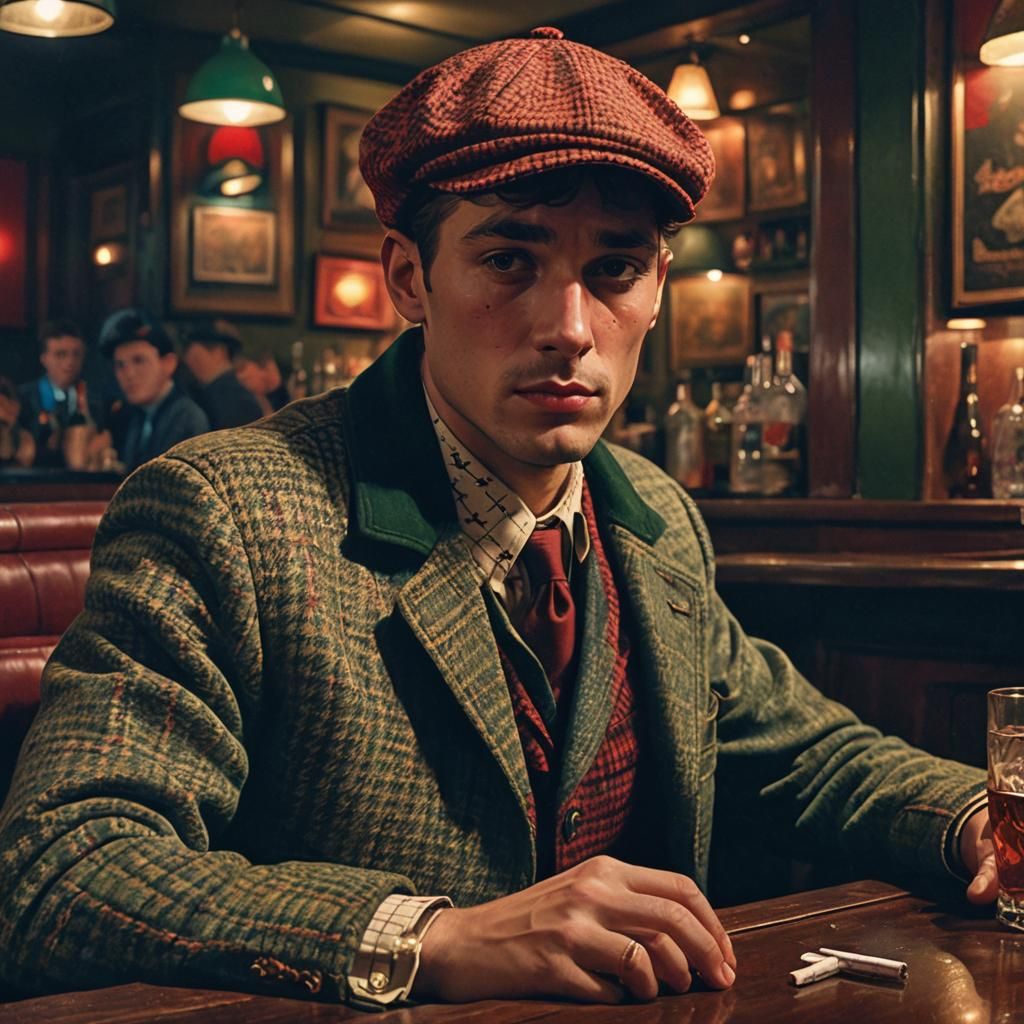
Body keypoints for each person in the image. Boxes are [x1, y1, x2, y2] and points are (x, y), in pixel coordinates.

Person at [0, 27, 995, 1010]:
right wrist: (429, 936)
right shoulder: (226, 509)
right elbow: (60, 870)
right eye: (510, 260)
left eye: (614, 269)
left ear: (656, 288)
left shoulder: (654, 514)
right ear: (408, 278)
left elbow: (808, 755)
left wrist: (976, 820)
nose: (569, 329)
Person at [99, 312, 209, 473]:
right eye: (120, 365)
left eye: (139, 361)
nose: (129, 374)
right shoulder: (135, 416)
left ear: (168, 363)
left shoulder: (186, 418)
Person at [16, 320, 104, 468]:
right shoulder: (22, 399)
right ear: (44, 358)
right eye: (60, 354)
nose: (70, 362)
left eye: (76, 354)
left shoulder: (95, 402)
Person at [180, 319, 264, 430]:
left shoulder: (238, 401)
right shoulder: (206, 393)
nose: (187, 359)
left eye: (195, 355)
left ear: (219, 352)